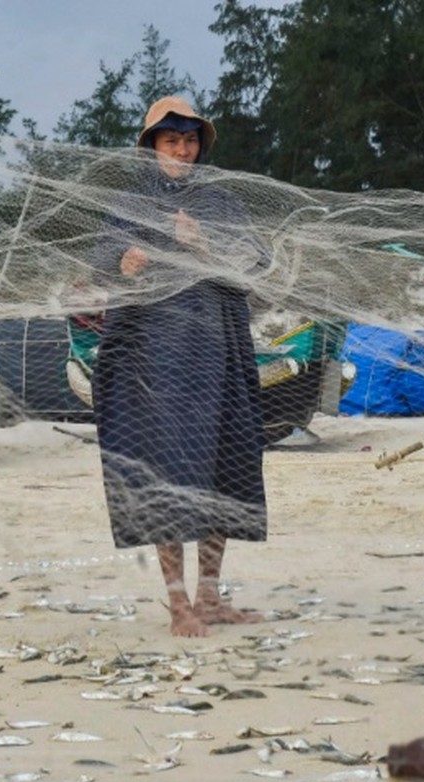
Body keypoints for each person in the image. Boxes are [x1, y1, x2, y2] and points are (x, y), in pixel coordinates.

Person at [90, 96, 269, 637]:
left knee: (224, 462)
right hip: (155, 361)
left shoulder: (219, 202)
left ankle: (210, 596)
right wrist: (123, 261)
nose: (182, 150)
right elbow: (99, 257)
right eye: (172, 141)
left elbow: (255, 262)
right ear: (152, 147)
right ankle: (177, 604)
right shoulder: (129, 203)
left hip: (220, 351)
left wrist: (205, 243)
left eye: (190, 141)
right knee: (166, 469)